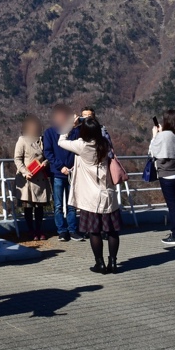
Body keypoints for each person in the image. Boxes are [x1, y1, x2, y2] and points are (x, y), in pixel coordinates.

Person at [59, 116, 120, 274]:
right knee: (112, 231)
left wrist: (70, 125)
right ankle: (113, 263)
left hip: (90, 198)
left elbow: (61, 141)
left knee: (95, 231)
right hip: (108, 195)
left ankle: (99, 263)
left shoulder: (82, 145)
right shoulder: (104, 144)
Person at [42, 104, 85, 242]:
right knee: (59, 205)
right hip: (57, 173)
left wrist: (77, 125)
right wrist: (60, 167)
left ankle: (73, 230)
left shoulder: (75, 132)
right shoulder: (49, 133)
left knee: (72, 204)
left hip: (73, 172)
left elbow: (81, 147)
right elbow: (48, 152)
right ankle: (61, 231)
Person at [150, 109, 175, 246]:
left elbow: (153, 152)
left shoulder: (163, 135)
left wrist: (155, 136)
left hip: (167, 175)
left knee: (173, 206)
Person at [13, 115, 51, 240]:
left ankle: (39, 230)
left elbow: (49, 154)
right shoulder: (22, 140)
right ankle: (31, 231)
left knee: (39, 207)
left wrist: (46, 162)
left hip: (40, 176)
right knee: (28, 207)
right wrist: (24, 172)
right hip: (27, 179)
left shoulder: (43, 140)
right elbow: (17, 159)